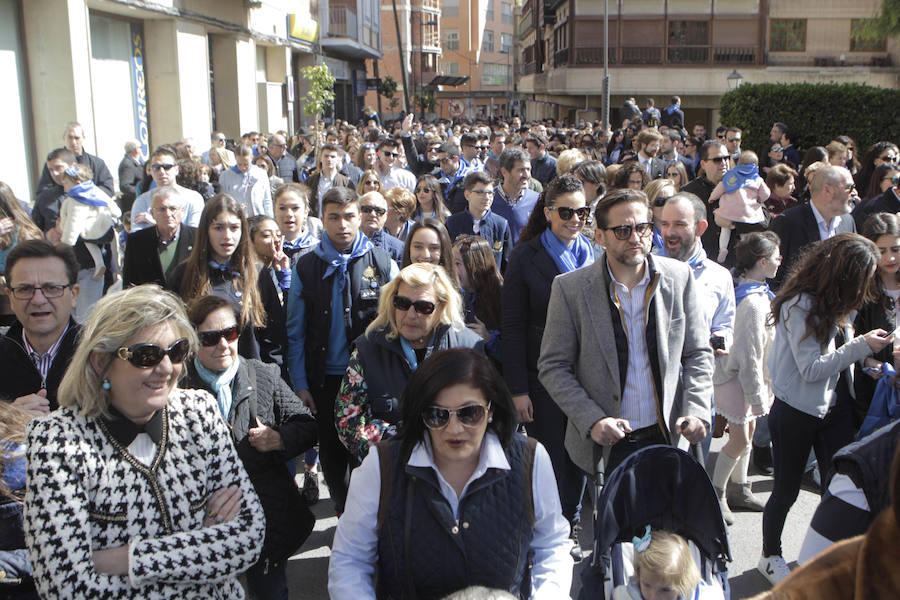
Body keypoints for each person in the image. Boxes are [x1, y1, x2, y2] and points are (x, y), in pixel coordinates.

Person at [23, 285, 265, 597]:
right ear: (100, 362)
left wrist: (127, 558)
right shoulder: (57, 442)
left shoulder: (199, 413)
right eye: (146, 356)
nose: (166, 369)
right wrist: (203, 552)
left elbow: (249, 537)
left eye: (176, 351)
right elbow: (65, 588)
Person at [328, 348, 573, 599]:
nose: (454, 429)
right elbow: (351, 560)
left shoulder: (530, 460)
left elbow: (552, 544)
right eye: (437, 415)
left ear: (491, 410)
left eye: (470, 413)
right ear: (421, 414)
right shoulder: (380, 466)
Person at [538, 188, 713, 476]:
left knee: (668, 521)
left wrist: (696, 409)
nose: (635, 238)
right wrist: (592, 419)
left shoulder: (679, 277)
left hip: (666, 437)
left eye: (642, 228)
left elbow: (698, 353)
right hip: (606, 445)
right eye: (622, 230)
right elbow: (553, 366)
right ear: (600, 236)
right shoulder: (569, 289)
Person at [759, 233, 894, 585]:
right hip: (796, 412)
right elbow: (812, 369)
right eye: (864, 278)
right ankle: (769, 556)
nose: (868, 287)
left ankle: (825, 556)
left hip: (836, 409)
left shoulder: (839, 301)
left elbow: (837, 355)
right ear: (844, 274)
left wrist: (864, 360)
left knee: (840, 488)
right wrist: (860, 346)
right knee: (786, 490)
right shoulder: (798, 304)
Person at [182, 295, 317, 598]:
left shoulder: (262, 374)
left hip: (266, 521)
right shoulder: (178, 385)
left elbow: (307, 426)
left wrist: (279, 438)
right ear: (192, 340)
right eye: (209, 337)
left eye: (229, 334)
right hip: (205, 528)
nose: (222, 345)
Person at [286, 186, 397, 514]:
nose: (343, 224)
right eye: (333, 217)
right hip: (326, 378)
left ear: (358, 216)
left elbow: (396, 321)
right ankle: (344, 513)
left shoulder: (380, 261)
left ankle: (370, 519)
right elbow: (295, 331)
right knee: (334, 459)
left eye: (349, 216)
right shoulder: (306, 266)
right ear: (322, 219)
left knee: (369, 453)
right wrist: (300, 383)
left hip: (369, 375)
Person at [504, 174, 594, 561]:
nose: (575, 219)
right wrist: (517, 389)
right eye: (566, 212)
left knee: (582, 455)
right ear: (548, 212)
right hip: (542, 375)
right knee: (553, 456)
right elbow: (511, 326)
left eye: (582, 212)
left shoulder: (594, 253)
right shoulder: (525, 256)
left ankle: (570, 523)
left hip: (588, 374)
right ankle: (550, 528)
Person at [334, 262, 483, 464]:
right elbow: (348, 423)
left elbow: (487, 416)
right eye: (402, 303)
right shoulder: (367, 349)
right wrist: (408, 445)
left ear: (441, 308)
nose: (411, 315)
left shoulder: (469, 348)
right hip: (391, 471)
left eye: (423, 307)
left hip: (454, 470)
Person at [711, 231, 780, 525]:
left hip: (750, 380)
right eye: (776, 257)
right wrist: (757, 396)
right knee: (739, 440)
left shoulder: (757, 294)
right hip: (740, 382)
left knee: (748, 438)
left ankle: (739, 489)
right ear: (762, 262)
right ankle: (717, 492)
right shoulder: (752, 303)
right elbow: (748, 355)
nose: (780, 262)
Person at [169, 194, 269, 360]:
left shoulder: (256, 273)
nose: (227, 236)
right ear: (206, 231)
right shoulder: (184, 274)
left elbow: (272, 339)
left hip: (252, 376)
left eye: (234, 228)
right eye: (219, 228)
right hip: (201, 375)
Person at [0, 240, 81, 413]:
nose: (38, 300)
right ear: (10, 297)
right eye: (25, 289)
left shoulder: (100, 355)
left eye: (51, 288)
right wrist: (7, 419)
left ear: (74, 294)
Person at [770, 165, 858, 289]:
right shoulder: (787, 223)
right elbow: (773, 277)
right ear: (827, 191)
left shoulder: (848, 222)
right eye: (849, 187)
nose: (854, 193)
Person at [851, 212, 900, 427]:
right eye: (882, 251)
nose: (890, 258)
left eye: (896, 250)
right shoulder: (859, 289)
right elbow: (845, 338)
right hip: (875, 394)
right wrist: (865, 360)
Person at [612, 527, 723, 600]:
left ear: (685, 584)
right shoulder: (625, 596)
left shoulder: (704, 596)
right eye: (647, 585)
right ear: (638, 575)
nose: (654, 597)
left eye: (666, 590)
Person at [122, 186, 196, 288]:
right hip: (150, 302)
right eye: (162, 209)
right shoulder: (136, 241)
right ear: (152, 214)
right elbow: (129, 283)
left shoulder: (198, 237)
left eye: (173, 208)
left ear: (182, 211)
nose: (168, 214)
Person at [711, 151, 771, 264]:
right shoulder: (757, 179)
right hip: (747, 214)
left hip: (728, 211)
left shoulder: (730, 176)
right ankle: (746, 252)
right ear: (756, 166)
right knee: (746, 234)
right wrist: (759, 199)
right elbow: (766, 194)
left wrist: (712, 198)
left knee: (725, 229)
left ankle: (723, 248)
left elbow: (720, 188)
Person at [445, 172, 512, 272]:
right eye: (480, 192)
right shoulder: (452, 223)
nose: (487, 197)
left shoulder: (501, 224)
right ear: (467, 195)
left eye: (490, 193)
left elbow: (507, 264)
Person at [129, 146, 204, 232]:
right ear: (150, 171)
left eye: (167, 167)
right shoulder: (141, 201)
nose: (161, 171)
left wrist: (154, 223)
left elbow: (194, 233)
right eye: (156, 167)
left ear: (176, 169)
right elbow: (137, 236)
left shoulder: (194, 198)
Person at [453, 235, 503, 359]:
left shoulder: (502, 297)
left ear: (475, 265)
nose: (453, 269)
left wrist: (488, 338)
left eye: (458, 264)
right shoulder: (455, 295)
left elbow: (513, 351)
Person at [35, 122, 114, 197]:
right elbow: (43, 192)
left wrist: (86, 196)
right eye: (70, 137)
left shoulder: (97, 163)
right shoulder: (53, 164)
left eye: (77, 138)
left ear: (83, 138)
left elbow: (108, 188)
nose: (73, 142)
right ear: (63, 138)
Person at [682, 140, 731, 261]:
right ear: (703, 164)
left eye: (726, 158)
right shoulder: (689, 192)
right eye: (717, 160)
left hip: (734, 261)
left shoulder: (741, 186)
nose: (724, 163)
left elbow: (763, 220)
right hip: (701, 259)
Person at [491, 146, 540, 245]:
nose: (527, 175)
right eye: (521, 170)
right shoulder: (489, 200)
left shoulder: (536, 200)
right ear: (504, 171)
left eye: (528, 169)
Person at [401, 218, 460, 289]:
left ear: (444, 251)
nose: (425, 255)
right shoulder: (396, 290)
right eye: (418, 247)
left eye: (434, 248)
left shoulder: (456, 295)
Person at [217, 145, 273, 218]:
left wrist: (270, 218)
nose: (243, 167)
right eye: (239, 164)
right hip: (236, 218)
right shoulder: (225, 176)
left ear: (251, 159)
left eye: (246, 164)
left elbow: (267, 200)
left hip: (258, 217)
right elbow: (223, 201)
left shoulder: (261, 173)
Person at [273, 183, 323, 264]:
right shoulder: (268, 249)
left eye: (295, 208)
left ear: (306, 211)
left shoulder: (319, 250)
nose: (289, 214)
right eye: (282, 208)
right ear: (274, 210)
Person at [359, 191, 404, 262]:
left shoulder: (398, 249)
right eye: (367, 209)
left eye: (379, 211)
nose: (373, 214)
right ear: (358, 212)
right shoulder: (344, 242)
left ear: (386, 215)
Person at [118, 139, 144, 212]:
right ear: (136, 150)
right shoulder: (127, 164)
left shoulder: (138, 162)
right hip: (133, 204)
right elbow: (125, 186)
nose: (141, 149)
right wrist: (141, 192)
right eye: (140, 147)